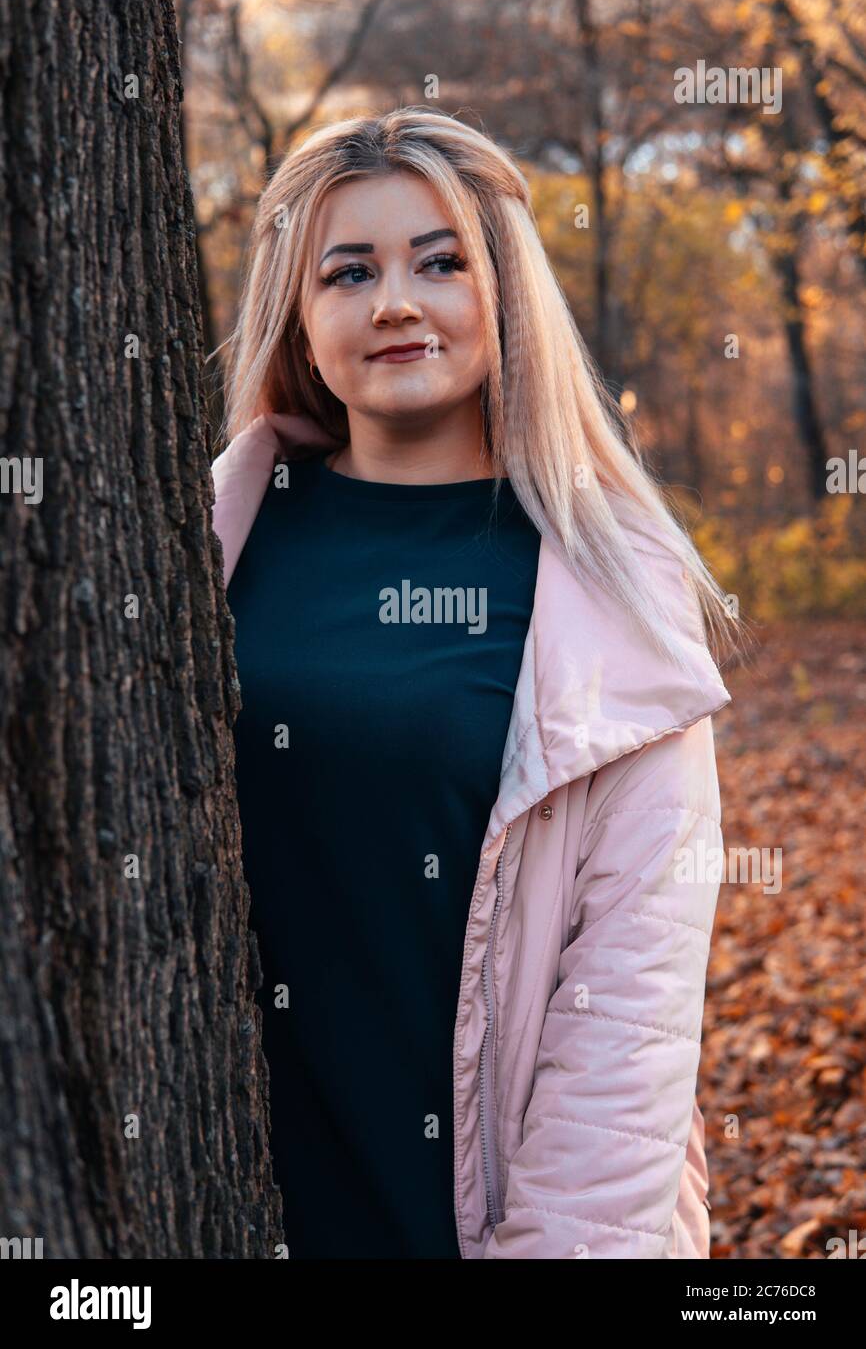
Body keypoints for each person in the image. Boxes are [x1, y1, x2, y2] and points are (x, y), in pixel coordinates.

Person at [209, 107, 740, 1259]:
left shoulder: (609, 595)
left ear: (505, 292)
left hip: (478, 1220)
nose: (394, 300)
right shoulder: (213, 537)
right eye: (348, 271)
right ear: (298, 314)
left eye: (439, 261)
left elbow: (628, 1025)